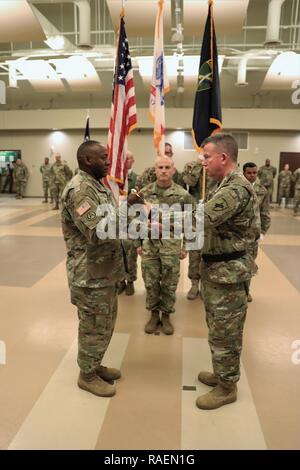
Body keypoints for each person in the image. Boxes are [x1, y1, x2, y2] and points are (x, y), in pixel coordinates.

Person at [61, 140, 141, 397]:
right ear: (87, 160)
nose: (108, 162)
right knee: (93, 326)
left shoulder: (97, 186)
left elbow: (111, 222)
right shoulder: (80, 191)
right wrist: (127, 207)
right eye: (103, 158)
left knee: (104, 323)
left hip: (103, 271)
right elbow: (97, 231)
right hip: (89, 275)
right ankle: (86, 374)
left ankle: (94, 365)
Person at [196, 134, 259, 410]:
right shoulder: (222, 185)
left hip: (229, 274)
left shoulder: (235, 189)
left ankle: (227, 386)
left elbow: (201, 219)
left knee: (227, 332)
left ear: (223, 157)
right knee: (217, 329)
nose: (203, 161)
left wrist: (153, 216)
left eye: (207, 156)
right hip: (217, 271)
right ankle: (222, 374)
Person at [138, 155, 194, 335]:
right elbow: (133, 219)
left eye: (167, 167)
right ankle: (154, 314)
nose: (163, 171)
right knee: (151, 281)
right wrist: (137, 243)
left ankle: (167, 315)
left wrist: (185, 246)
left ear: (173, 170)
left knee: (170, 282)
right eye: (160, 167)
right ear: (154, 170)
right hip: (150, 246)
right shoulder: (144, 193)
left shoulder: (183, 195)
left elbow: (191, 222)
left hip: (172, 246)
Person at [182, 155, 216, 300]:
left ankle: (206, 285)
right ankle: (194, 284)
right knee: (195, 250)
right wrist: (198, 165)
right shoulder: (190, 166)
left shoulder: (215, 165)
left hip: (212, 212)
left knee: (210, 249)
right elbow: (189, 181)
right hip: (194, 212)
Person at [243, 162, 271, 301]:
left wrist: (263, 233)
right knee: (236, 262)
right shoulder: (237, 189)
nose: (252, 175)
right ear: (244, 173)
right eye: (249, 173)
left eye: (254, 173)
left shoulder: (262, 190)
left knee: (249, 263)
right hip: (237, 234)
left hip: (253, 235)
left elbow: (265, 213)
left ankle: (246, 290)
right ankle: (236, 292)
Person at [118, 150, 139, 296]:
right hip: (117, 219)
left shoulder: (137, 179)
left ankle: (130, 281)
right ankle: (120, 281)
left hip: (132, 220)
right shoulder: (114, 178)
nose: (127, 161)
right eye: (124, 158)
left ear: (133, 161)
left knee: (131, 252)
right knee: (118, 251)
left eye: (129, 158)